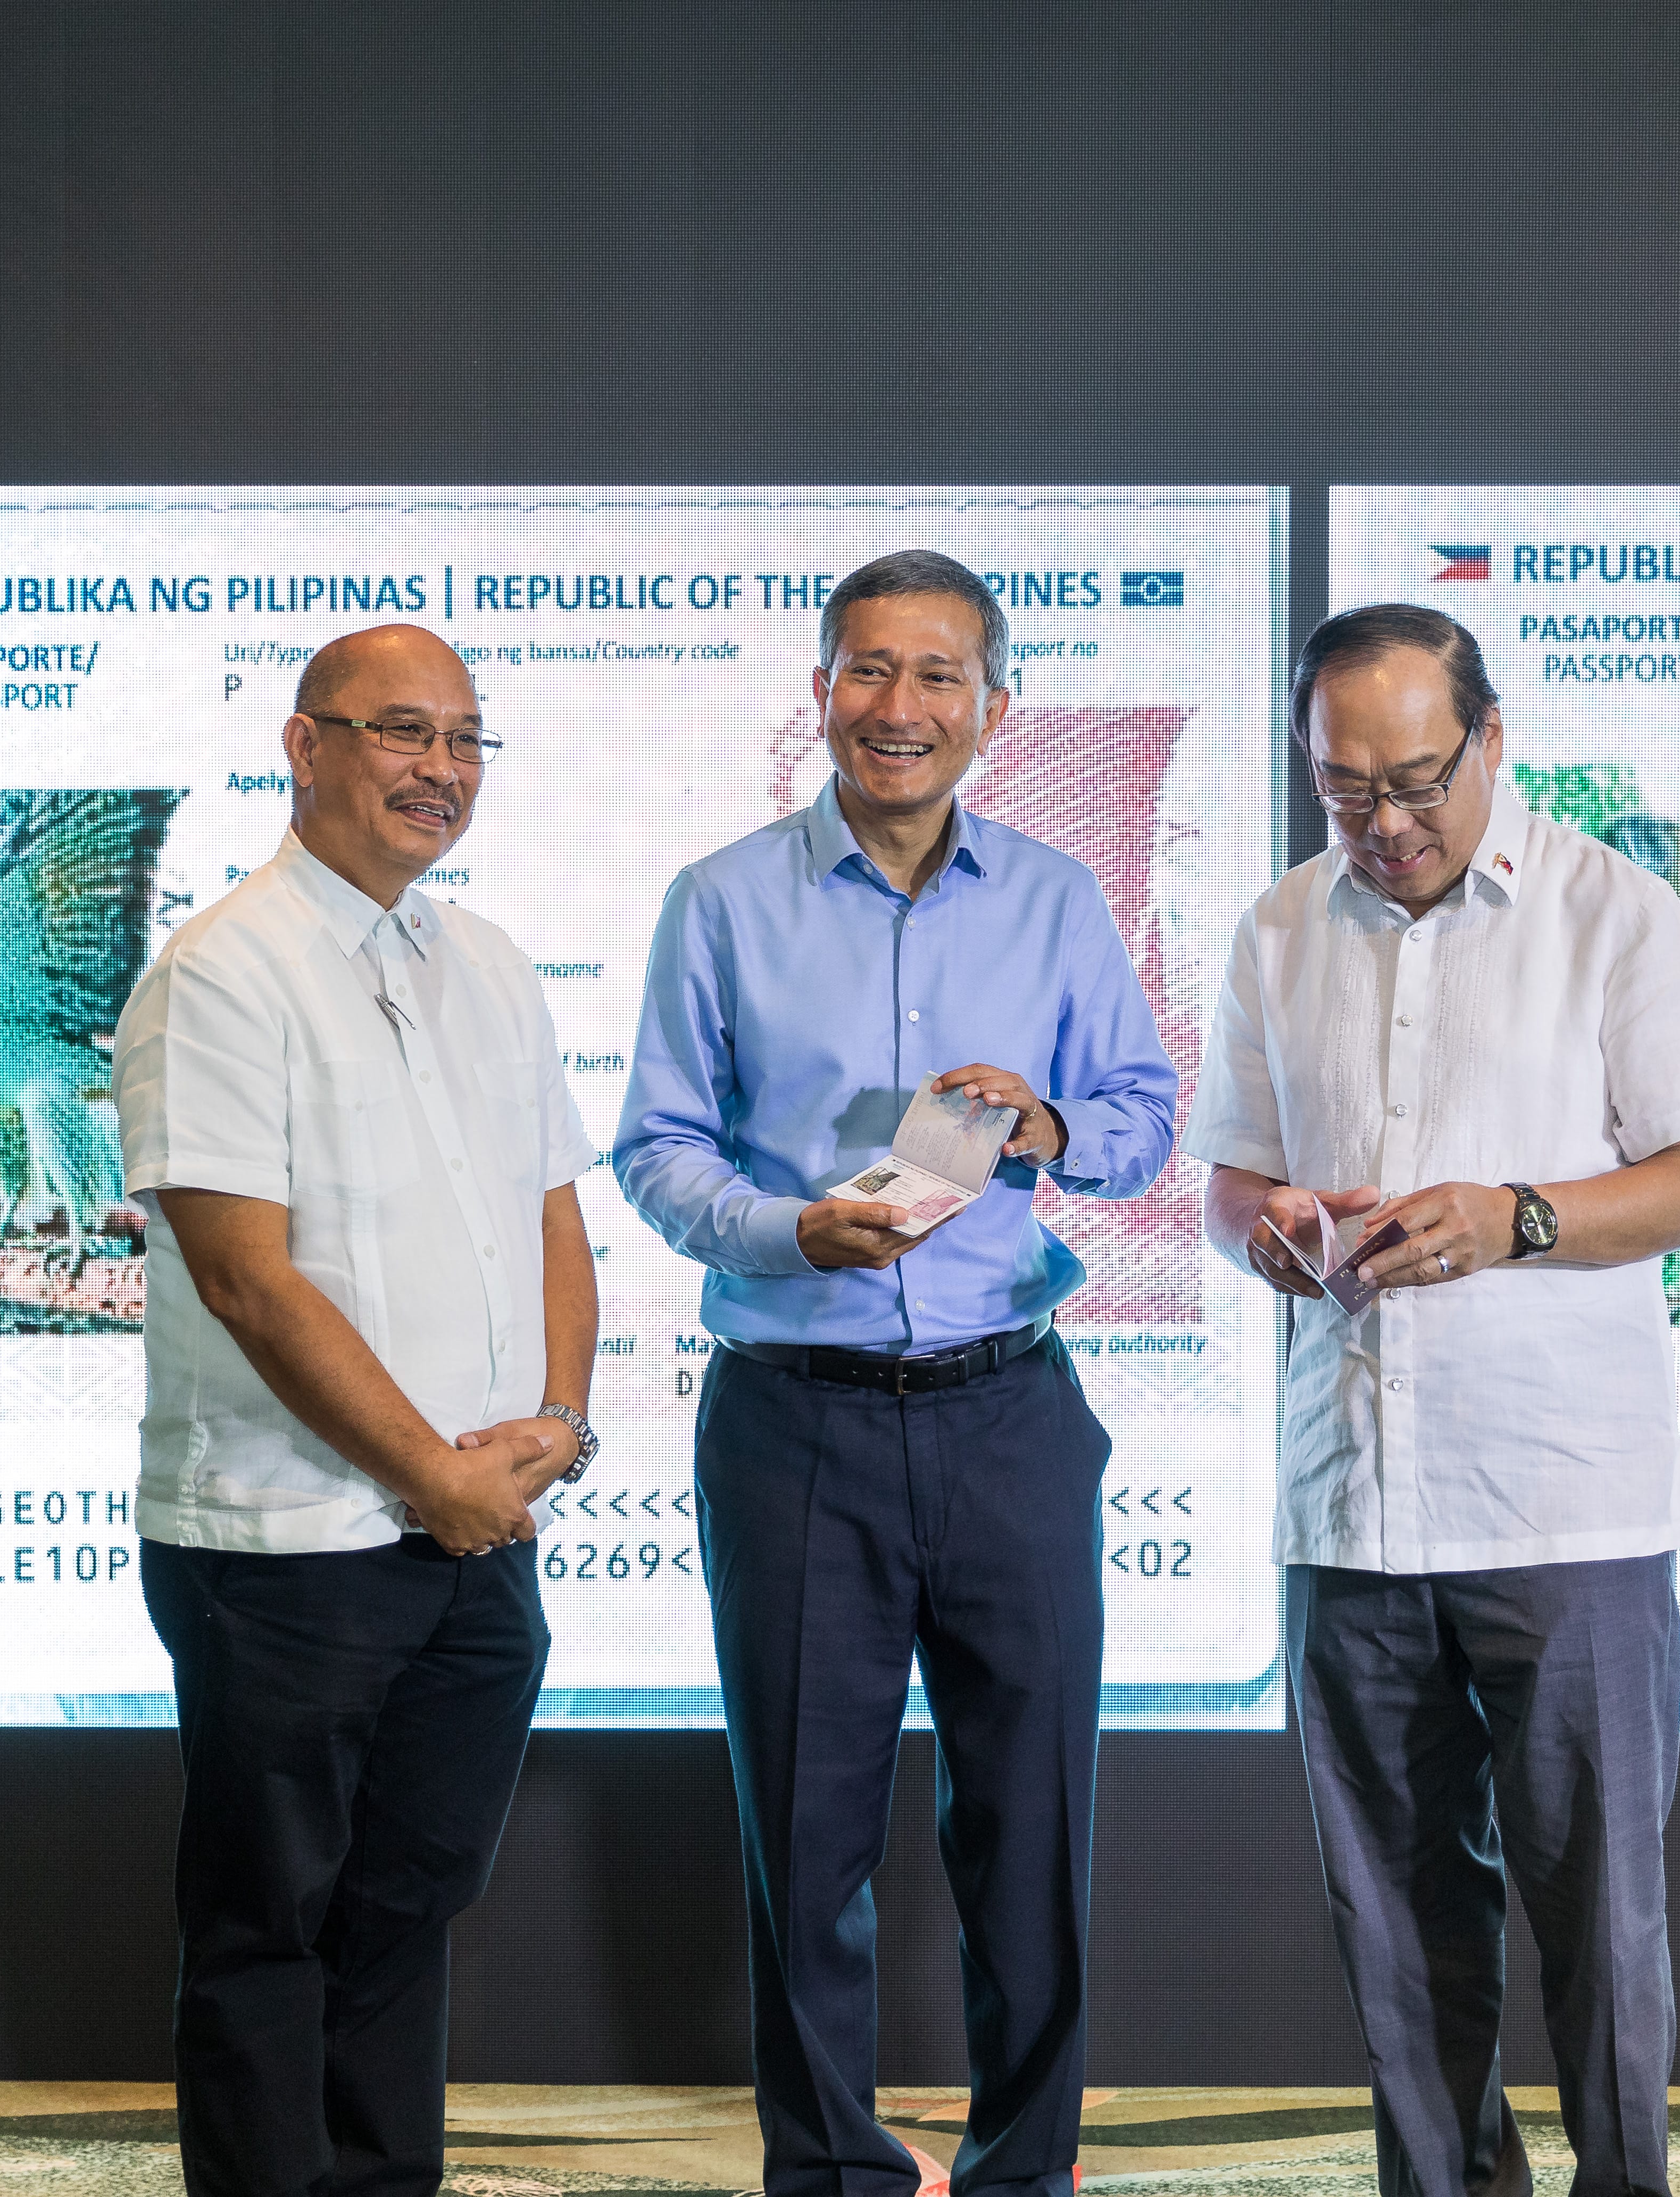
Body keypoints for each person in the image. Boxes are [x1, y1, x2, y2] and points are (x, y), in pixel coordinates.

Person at [615, 551, 1177, 2197]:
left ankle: (1024, 2173)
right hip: (795, 1423)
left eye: (938, 675)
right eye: (869, 669)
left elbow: (1142, 1118)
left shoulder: (1057, 899)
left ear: (995, 707)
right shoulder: (721, 900)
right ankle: (833, 2174)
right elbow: (656, 1148)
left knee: (1032, 1829)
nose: (900, 706)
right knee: (805, 1842)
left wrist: (1050, 1125)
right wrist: (788, 1227)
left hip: (1010, 1411)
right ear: (819, 693)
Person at [1182, 604, 1680, 2197]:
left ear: (1491, 740)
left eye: (1417, 781)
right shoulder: (1278, 929)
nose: (1385, 823)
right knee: (1397, 1930)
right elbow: (1228, 1186)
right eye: (1344, 789)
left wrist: (1518, 1217)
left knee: (1600, 1921)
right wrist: (1273, 1231)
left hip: (1564, 1509)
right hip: (1352, 1509)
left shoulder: (1611, 910)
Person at [115, 622, 603, 2197]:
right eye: (401, 731)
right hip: (285, 1548)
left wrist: (559, 1421)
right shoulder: (219, 972)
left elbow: (554, 1217)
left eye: (463, 739)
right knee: (270, 1932)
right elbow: (247, 1280)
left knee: (408, 1913)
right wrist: (429, 1473)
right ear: (304, 745)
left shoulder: (491, 967)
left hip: (475, 1541)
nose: (438, 768)